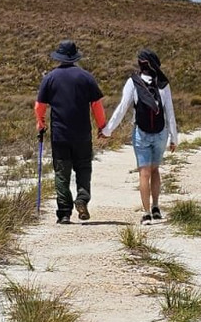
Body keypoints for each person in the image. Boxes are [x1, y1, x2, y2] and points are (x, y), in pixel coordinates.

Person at [100, 48, 178, 224]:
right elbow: (170, 112)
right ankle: (156, 207)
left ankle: (146, 213)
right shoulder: (163, 84)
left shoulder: (133, 82)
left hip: (141, 132)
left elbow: (122, 108)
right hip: (161, 132)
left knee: (144, 173)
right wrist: (174, 138)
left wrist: (107, 130)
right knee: (155, 169)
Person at [34, 39, 107, 224]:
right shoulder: (86, 77)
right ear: (74, 57)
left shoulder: (49, 78)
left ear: (58, 57)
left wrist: (40, 123)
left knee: (62, 172)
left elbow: (39, 106)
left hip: (60, 135)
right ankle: (82, 199)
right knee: (83, 168)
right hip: (82, 134)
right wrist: (102, 126)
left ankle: (64, 213)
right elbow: (96, 105)